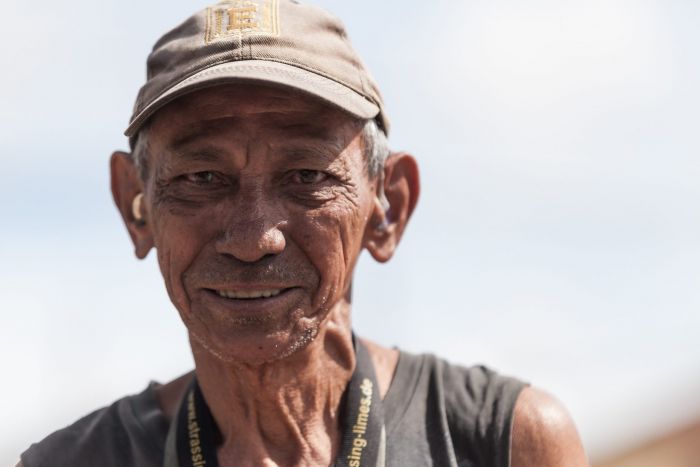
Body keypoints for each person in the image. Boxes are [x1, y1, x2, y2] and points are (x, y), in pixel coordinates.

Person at [19, 1, 588, 466]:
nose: (253, 237)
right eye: (202, 178)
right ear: (135, 207)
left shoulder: (506, 442)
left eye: (307, 176)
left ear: (386, 207)